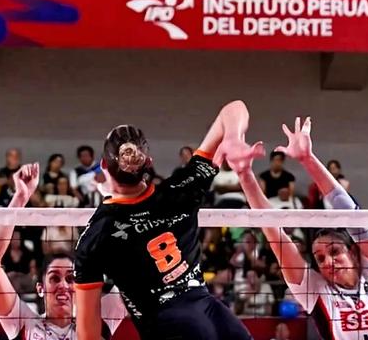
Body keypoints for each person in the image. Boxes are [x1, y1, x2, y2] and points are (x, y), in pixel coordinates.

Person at [74, 100, 254, 340]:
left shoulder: (95, 236)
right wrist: (233, 138)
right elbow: (235, 107)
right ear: (149, 163)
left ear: (104, 166)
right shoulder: (180, 190)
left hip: (169, 326)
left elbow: (88, 335)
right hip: (216, 316)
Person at [228, 117, 368, 340]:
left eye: (334, 252)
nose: (328, 262)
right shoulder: (316, 291)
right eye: (320, 259)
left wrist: (308, 159)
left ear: (352, 252)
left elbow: (350, 212)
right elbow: (272, 228)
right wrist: (245, 174)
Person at [0, 164, 126, 340]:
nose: (63, 286)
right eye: (54, 278)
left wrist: (121, 194)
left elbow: (135, 268)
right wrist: (19, 198)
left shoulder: (99, 320)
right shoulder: (24, 324)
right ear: (40, 288)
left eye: (70, 278)